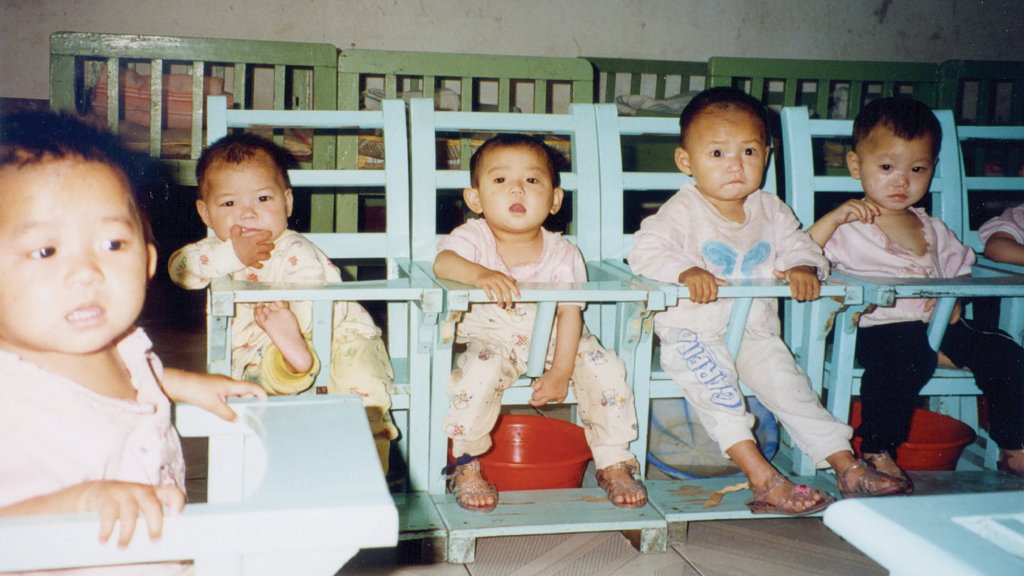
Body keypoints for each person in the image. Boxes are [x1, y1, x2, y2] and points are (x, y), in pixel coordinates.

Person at [0, 110, 267, 574]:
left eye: (112, 244)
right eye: (45, 250)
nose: (87, 272)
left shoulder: (119, 344)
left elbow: (138, 375)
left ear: (146, 261)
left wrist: (185, 385)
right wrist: (82, 500)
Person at [628, 87, 910, 516]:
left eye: (748, 152)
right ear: (686, 162)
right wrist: (684, 271)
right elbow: (644, 251)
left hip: (756, 332)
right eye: (717, 154)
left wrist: (802, 267)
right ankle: (764, 479)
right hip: (693, 332)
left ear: (767, 153)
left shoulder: (770, 209)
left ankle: (845, 465)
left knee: (794, 391)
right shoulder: (683, 210)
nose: (735, 165)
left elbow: (802, 246)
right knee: (721, 395)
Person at [808, 96, 1024, 479]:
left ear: (932, 169)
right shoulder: (847, 225)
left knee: (1004, 351)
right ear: (856, 165)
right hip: (873, 330)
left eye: (917, 168)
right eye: (887, 166)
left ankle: (1014, 445)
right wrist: (830, 219)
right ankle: (877, 447)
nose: (901, 181)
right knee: (908, 353)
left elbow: (960, 269)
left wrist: (954, 295)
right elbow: (800, 254)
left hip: (940, 327)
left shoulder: (934, 228)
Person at [434, 133, 646, 512]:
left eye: (532, 180)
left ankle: (613, 459)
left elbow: (569, 313)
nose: (517, 189)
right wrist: (481, 275)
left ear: (554, 200)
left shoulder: (564, 252)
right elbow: (443, 264)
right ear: (475, 199)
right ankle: (465, 462)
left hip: (557, 340)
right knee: (475, 378)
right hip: (493, 338)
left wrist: (562, 371)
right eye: (500, 180)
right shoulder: (473, 238)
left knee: (606, 370)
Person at [168, 133, 398, 472]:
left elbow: (312, 298)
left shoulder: (295, 249)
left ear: (286, 203)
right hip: (263, 346)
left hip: (340, 335)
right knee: (260, 384)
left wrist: (289, 328)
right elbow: (180, 271)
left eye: (262, 198)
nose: (247, 214)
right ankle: (294, 373)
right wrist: (231, 255)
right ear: (205, 212)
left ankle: (368, 471)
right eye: (229, 204)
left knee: (365, 389)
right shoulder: (212, 251)